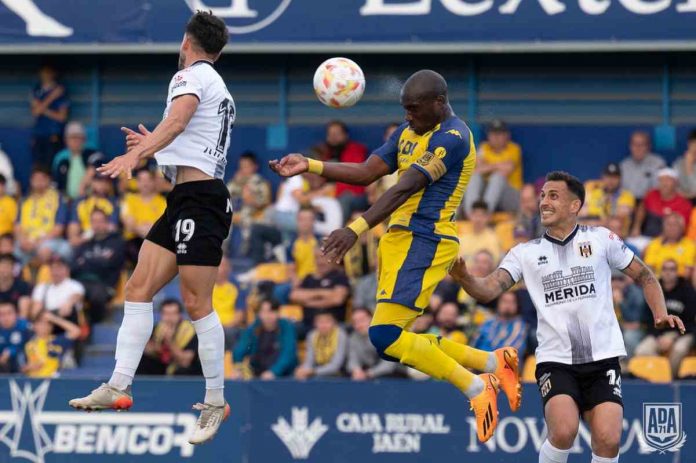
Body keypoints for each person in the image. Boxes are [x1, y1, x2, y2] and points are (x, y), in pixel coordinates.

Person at [271, 70, 520, 443]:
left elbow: (406, 187)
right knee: (393, 341)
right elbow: (368, 172)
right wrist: (311, 164)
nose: (407, 117)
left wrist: (354, 230)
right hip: (399, 241)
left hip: (428, 239)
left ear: (438, 103)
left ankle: (476, 386)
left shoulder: (452, 137)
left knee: (385, 336)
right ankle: (493, 362)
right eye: (404, 109)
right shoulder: (408, 133)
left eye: (414, 109)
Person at [68, 11, 234, 444]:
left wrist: (134, 157)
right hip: (185, 197)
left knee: (197, 303)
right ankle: (118, 386)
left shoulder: (191, 76)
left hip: (202, 203)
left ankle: (216, 401)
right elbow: (188, 141)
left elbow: (178, 122)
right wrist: (153, 147)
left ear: (186, 42)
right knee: (137, 289)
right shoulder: (214, 84)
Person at [450, 170, 685, 463]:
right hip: (556, 360)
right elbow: (487, 290)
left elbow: (646, 275)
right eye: (542, 196)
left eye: (553, 196)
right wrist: (465, 279)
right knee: (563, 431)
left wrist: (659, 313)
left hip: (603, 357)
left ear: (575, 206)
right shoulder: (525, 253)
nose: (544, 202)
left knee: (608, 439)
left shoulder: (601, 239)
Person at [634, 260, 696, 375]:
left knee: (679, 350)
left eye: (672, 269)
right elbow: (648, 319)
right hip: (658, 333)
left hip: (682, 333)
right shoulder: (653, 288)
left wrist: (673, 338)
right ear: (661, 271)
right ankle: (659, 378)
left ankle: (673, 382)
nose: (668, 272)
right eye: (665, 269)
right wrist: (658, 337)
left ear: (677, 272)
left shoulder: (687, 290)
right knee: (642, 351)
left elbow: (690, 320)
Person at [71, 209, 126, 324]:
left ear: (107, 223)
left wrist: (86, 261)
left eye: (100, 221)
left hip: (104, 283)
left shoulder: (117, 241)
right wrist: (99, 260)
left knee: (96, 295)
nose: (97, 225)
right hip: (80, 282)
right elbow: (73, 267)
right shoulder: (84, 243)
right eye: (94, 221)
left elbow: (110, 264)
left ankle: (92, 325)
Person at [464, 119, 522, 215]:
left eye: (500, 134)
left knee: (497, 177)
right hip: (488, 194)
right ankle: (473, 215)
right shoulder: (484, 148)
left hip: (510, 196)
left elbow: (507, 170)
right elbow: (476, 171)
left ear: (507, 135)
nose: (496, 137)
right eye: (493, 134)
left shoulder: (513, 149)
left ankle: (484, 215)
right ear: (489, 135)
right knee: (474, 178)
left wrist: (487, 166)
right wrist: (499, 165)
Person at [15, 166, 70, 264]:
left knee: (45, 251)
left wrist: (37, 243)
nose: (39, 182)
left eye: (42, 179)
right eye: (36, 179)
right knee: (10, 250)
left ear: (49, 180)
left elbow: (58, 229)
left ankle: (44, 277)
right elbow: (17, 226)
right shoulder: (24, 200)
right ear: (31, 181)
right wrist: (23, 240)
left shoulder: (58, 199)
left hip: (48, 239)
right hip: (27, 240)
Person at [290, 247, 351, 335]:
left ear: (332, 258)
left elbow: (337, 299)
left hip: (334, 325)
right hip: (308, 325)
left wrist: (308, 302)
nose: (320, 262)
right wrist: (325, 293)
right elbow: (294, 296)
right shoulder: (308, 278)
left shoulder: (340, 277)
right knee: (287, 329)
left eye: (324, 257)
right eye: (317, 258)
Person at [231, 299, 297, 379]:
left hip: (283, 377)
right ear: (259, 314)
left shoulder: (286, 327)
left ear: (278, 313)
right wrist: (238, 368)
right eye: (263, 312)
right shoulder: (254, 327)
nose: (267, 316)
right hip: (257, 376)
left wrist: (274, 372)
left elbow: (288, 354)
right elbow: (240, 349)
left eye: (271, 311)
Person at [136, 299, 202, 377]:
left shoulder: (190, 331)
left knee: (184, 371)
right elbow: (148, 350)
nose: (169, 318)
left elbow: (185, 361)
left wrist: (169, 342)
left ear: (179, 315)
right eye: (166, 314)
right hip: (162, 365)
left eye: (173, 314)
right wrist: (157, 346)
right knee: (143, 362)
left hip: (184, 369)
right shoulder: (157, 328)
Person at [318, 120, 369, 219]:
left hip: (355, 195)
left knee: (344, 199)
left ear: (345, 135)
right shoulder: (324, 152)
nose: (333, 137)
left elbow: (354, 175)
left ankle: (337, 232)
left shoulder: (356, 150)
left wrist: (333, 189)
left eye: (337, 134)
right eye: (330, 134)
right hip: (331, 195)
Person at [120, 168, 167, 265]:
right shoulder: (129, 199)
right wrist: (146, 229)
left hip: (155, 242)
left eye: (148, 180)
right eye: (141, 180)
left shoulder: (163, 202)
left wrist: (141, 228)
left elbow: (163, 226)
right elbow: (129, 225)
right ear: (137, 182)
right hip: (133, 242)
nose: (145, 183)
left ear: (153, 182)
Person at [631, 168, 692, 239]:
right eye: (661, 180)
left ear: (676, 182)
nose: (664, 183)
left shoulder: (684, 203)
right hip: (646, 236)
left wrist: (658, 243)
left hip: (669, 241)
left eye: (668, 180)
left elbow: (681, 228)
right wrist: (636, 227)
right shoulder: (651, 194)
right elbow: (642, 209)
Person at [31, 255, 85, 333]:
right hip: (47, 322)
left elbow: (76, 296)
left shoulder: (74, 285)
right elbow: (35, 311)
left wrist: (68, 303)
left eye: (59, 268)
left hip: (66, 324)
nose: (56, 272)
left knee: (68, 310)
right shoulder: (42, 287)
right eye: (53, 268)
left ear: (67, 270)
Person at [52, 121, 105, 199]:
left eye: (78, 137)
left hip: (90, 199)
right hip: (69, 203)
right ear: (66, 140)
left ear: (84, 140)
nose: (75, 141)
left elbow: (100, 161)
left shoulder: (90, 154)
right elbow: (58, 184)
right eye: (72, 138)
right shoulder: (62, 160)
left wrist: (84, 183)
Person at [30, 65, 69, 168]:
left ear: (54, 74)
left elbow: (62, 117)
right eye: (44, 72)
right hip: (38, 134)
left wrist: (43, 109)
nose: (46, 75)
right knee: (38, 166)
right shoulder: (37, 89)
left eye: (49, 72)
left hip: (53, 135)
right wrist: (51, 97)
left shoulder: (61, 91)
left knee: (52, 165)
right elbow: (35, 112)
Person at [23, 309, 81, 378]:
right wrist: (29, 367)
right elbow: (23, 368)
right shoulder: (29, 345)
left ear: (51, 327)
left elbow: (76, 331)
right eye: (40, 323)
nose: (44, 326)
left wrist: (53, 318)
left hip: (53, 381)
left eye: (47, 323)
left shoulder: (57, 341)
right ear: (35, 325)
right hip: (34, 381)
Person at [67, 172, 119, 248]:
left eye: (106, 182)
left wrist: (92, 234)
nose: (102, 185)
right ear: (92, 182)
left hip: (105, 240)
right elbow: (73, 230)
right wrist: (81, 238)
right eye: (99, 181)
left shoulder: (113, 202)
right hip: (83, 240)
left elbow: (112, 228)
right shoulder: (80, 202)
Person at [347, 307, 400, 380]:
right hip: (366, 373)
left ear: (372, 319)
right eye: (355, 322)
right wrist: (356, 370)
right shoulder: (353, 337)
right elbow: (352, 359)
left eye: (362, 320)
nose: (359, 325)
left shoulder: (385, 335)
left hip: (394, 375)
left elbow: (389, 365)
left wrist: (369, 373)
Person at [295, 311, 348, 379]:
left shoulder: (341, 335)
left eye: (327, 322)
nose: (323, 325)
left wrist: (313, 371)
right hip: (317, 372)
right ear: (315, 324)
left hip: (339, 374)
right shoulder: (312, 335)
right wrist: (304, 370)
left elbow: (336, 365)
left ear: (334, 323)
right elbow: (309, 360)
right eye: (320, 322)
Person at [581, 163, 635, 228]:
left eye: (614, 177)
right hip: (594, 231)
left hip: (618, 235)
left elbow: (622, 213)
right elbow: (583, 212)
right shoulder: (595, 191)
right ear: (602, 177)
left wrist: (597, 212)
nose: (611, 180)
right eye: (608, 176)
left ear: (620, 179)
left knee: (615, 224)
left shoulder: (627, 195)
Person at [643, 213, 695, 280]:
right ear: (663, 227)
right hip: (657, 281)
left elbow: (687, 273)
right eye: (669, 225)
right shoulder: (654, 244)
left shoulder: (689, 245)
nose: (671, 228)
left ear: (682, 228)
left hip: (680, 283)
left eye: (675, 225)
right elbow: (649, 268)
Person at [619, 130, 666, 201]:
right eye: (634, 144)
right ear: (630, 146)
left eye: (642, 145)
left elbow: (660, 190)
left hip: (651, 203)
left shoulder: (658, 163)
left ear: (648, 147)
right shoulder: (623, 165)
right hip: (628, 204)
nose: (638, 148)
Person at [0, 301, 32, 373]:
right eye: (1, 314)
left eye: (9, 313)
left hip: (22, 363)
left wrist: (10, 352)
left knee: (19, 356)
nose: (5, 317)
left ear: (16, 314)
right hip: (2, 364)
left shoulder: (25, 327)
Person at [0, 254, 32, 318]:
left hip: (16, 319)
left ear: (13, 268)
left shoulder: (22, 285)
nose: (5, 269)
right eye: (2, 266)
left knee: (24, 300)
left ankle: (22, 325)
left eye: (8, 266)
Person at [672, 129, 696, 200]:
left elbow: (694, 189)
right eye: (693, 144)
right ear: (688, 144)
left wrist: (689, 166)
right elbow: (673, 187)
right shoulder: (678, 163)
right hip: (682, 201)